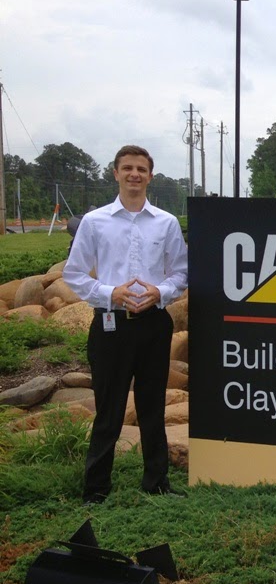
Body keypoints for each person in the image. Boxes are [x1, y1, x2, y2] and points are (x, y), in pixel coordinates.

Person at [63, 145, 188, 504]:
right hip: (110, 325)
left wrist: (160, 292)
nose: (135, 174)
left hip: (153, 324)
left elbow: (181, 273)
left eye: (141, 169)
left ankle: (157, 483)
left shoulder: (166, 223)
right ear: (116, 173)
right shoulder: (95, 222)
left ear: (150, 176)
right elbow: (74, 273)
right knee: (109, 409)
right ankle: (96, 489)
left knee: (152, 407)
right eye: (128, 168)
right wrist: (109, 293)